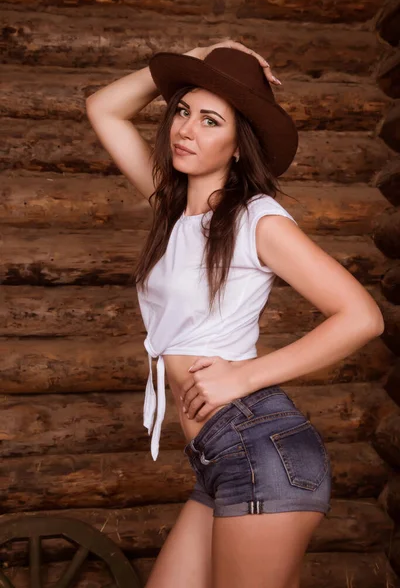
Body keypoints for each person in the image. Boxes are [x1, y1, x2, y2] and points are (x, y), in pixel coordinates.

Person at [86, 39, 384, 588]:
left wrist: (243, 374)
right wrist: (193, 57)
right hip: (219, 457)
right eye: (182, 111)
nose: (185, 130)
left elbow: (362, 316)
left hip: (259, 447)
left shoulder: (257, 220)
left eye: (210, 120)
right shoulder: (171, 207)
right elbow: (102, 108)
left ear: (239, 145)